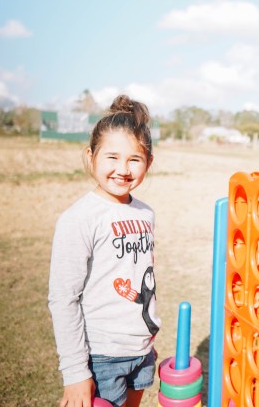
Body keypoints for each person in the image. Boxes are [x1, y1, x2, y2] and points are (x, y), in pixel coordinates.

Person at [48, 95, 161, 407]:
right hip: (101, 357)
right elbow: (63, 298)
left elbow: (142, 278)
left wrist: (146, 337)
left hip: (141, 351)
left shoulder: (146, 213)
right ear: (91, 157)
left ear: (148, 163)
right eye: (112, 157)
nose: (122, 170)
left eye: (134, 160)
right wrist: (74, 373)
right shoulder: (78, 219)